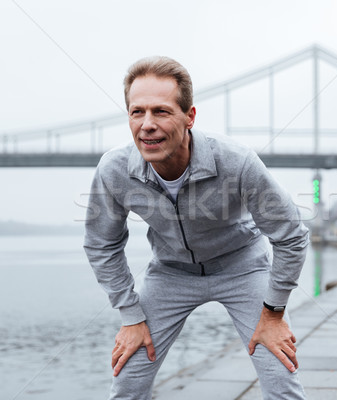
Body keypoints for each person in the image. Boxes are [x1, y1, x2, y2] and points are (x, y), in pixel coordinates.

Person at [84, 56, 309, 399]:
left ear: (189, 116)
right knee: (127, 379)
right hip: (170, 274)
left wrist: (274, 311)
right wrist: (130, 314)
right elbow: (102, 244)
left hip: (242, 268)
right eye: (137, 112)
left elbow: (291, 235)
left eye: (160, 111)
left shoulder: (237, 161)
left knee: (281, 375)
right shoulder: (114, 170)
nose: (146, 124)